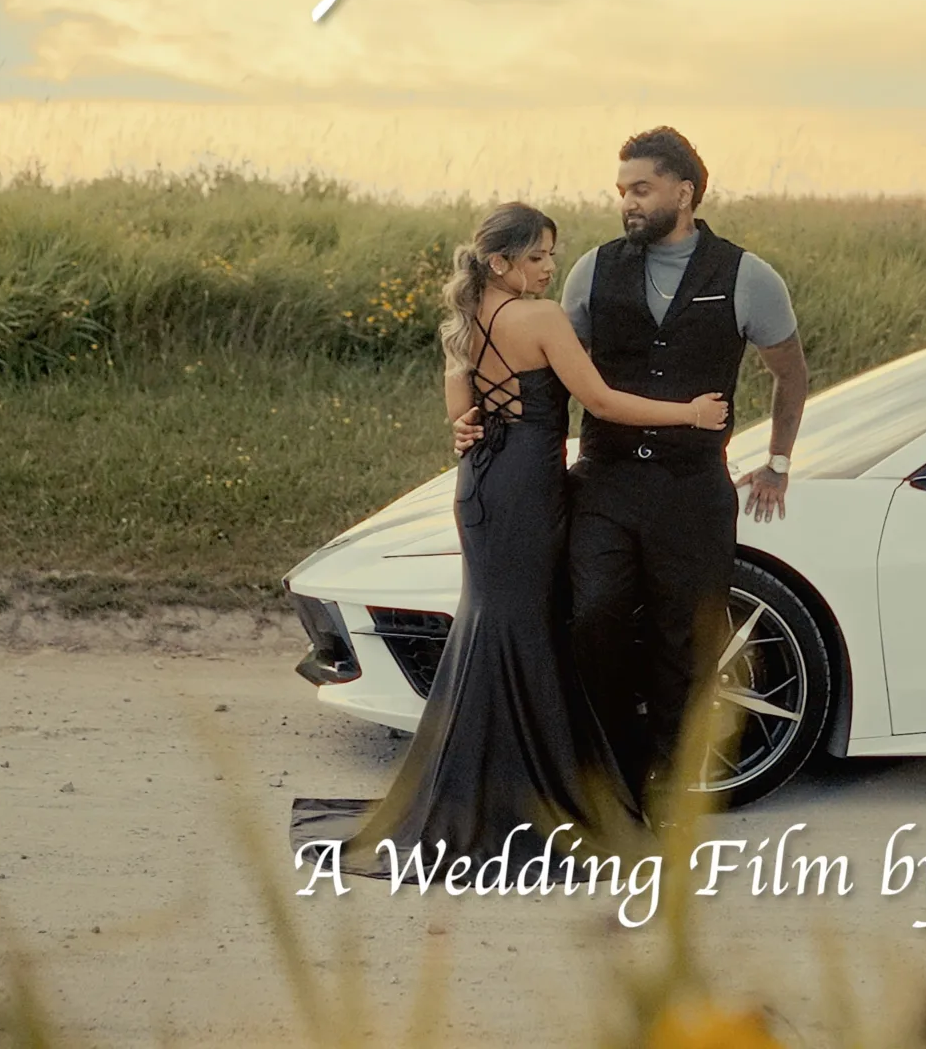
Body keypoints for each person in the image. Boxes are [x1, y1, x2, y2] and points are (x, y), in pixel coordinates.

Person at [292, 202, 728, 871]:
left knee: (492, 623)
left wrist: (466, 429)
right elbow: (601, 402)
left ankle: (483, 785)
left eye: (552, 254)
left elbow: (461, 416)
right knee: (524, 629)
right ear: (499, 262)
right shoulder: (541, 319)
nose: (550, 267)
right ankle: (525, 795)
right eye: (536, 257)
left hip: (481, 487)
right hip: (527, 487)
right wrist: (689, 413)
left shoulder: (464, 321)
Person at [461, 127, 809, 819]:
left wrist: (778, 462)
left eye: (641, 189)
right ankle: (607, 788)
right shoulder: (592, 270)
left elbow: (790, 372)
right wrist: (480, 417)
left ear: (685, 191)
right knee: (593, 619)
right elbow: (547, 366)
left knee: (688, 642)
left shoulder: (747, 277)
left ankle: (667, 796)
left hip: (693, 488)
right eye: (622, 190)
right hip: (605, 481)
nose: (627, 202)